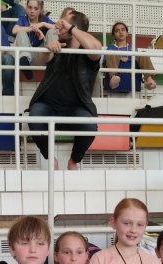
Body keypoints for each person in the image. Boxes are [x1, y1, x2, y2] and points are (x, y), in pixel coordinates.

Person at [27, 10, 101, 170]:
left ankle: (73, 161)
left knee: (90, 126)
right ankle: (51, 158)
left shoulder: (87, 53)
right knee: (34, 116)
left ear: (74, 28)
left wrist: (70, 28)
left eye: (62, 25)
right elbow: (41, 60)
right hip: (48, 106)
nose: (57, 29)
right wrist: (48, 49)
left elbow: (96, 49)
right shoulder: (58, 46)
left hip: (76, 109)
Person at [103, 22, 156, 95]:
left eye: (123, 30)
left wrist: (126, 58)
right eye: (117, 31)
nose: (120, 32)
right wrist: (119, 58)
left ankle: (149, 80)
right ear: (114, 35)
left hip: (133, 80)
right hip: (115, 76)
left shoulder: (133, 49)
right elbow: (106, 61)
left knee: (143, 53)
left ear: (127, 33)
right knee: (111, 53)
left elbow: (138, 60)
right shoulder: (110, 48)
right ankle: (113, 78)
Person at [13, 0, 56, 80]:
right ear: (26, 7)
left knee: (52, 31)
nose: (32, 11)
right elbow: (14, 30)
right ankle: (24, 63)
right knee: (21, 33)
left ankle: (54, 60)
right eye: (30, 7)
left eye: (36, 8)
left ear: (41, 10)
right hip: (29, 57)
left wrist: (43, 24)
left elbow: (57, 29)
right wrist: (32, 28)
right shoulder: (23, 19)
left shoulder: (44, 19)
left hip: (44, 56)